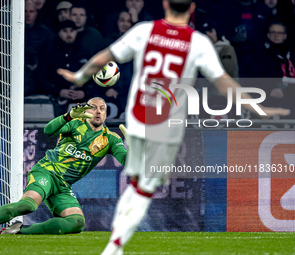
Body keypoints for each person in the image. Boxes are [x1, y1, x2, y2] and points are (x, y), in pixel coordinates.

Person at [57, 0, 290, 254]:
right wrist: (259, 108)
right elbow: (224, 83)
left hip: (135, 119)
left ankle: (116, 243)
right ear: (191, 8)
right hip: (164, 126)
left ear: (165, 4)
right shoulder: (198, 42)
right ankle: (114, 246)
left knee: (136, 182)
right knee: (144, 188)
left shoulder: (144, 30)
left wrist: (79, 76)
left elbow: (105, 57)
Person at [0, 98, 127, 235]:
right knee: (28, 205)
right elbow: (48, 130)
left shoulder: (111, 139)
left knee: (76, 223)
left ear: (106, 114)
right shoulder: (75, 124)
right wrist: (68, 116)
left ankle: (20, 230)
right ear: (86, 111)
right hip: (46, 171)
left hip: (62, 186)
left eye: (102, 108)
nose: (98, 111)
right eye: (93, 107)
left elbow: (128, 162)